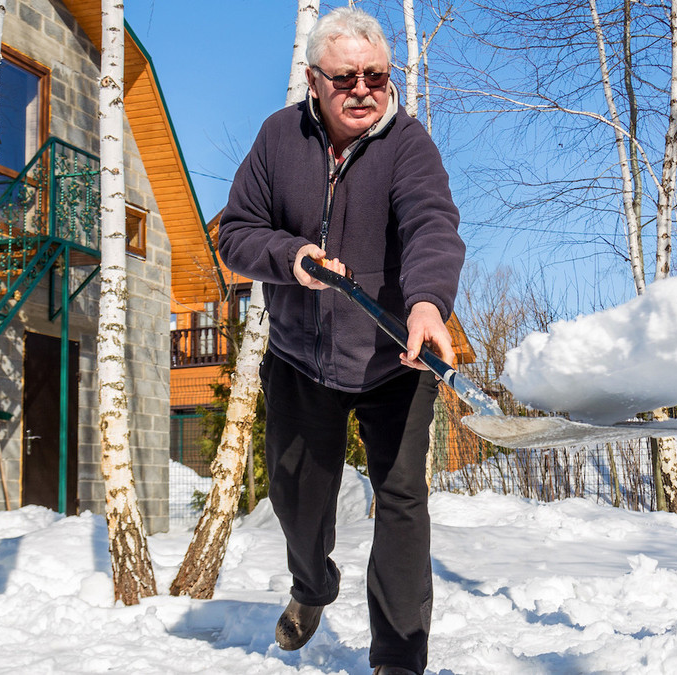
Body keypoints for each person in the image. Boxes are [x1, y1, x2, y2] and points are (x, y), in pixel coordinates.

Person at [217, 7, 465, 674]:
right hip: (301, 356)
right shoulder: (278, 138)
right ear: (313, 81)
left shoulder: (407, 144)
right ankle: (312, 585)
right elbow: (235, 232)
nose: (364, 88)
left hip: (395, 355)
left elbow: (431, 223)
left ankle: (398, 656)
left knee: (402, 498)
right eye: (347, 76)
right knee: (296, 496)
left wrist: (427, 304)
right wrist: (289, 254)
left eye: (377, 75)